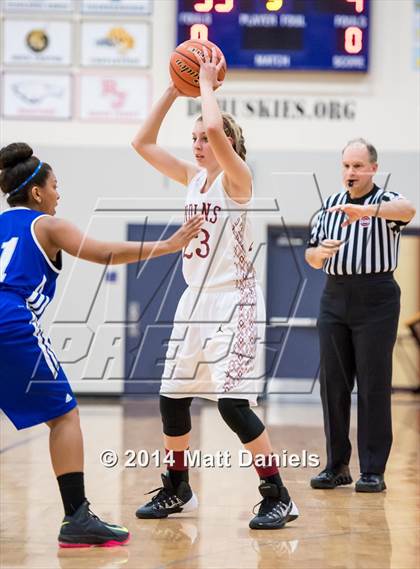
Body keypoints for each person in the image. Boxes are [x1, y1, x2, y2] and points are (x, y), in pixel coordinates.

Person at [0, 142, 203, 547]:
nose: (59, 193)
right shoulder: (46, 225)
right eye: (55, 186)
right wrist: (168, 245)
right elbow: (106, 252)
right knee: (65, 416)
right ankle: (77, 517)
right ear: (37, 192)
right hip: (9, 319)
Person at [131, 46, 298, 529]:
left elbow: (217, 134)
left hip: (236, 301)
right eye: (194, 139)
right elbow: (141, 142)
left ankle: (278, 494)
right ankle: (177, 486)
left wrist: (205, 86)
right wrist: (173, 86)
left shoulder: (238, 179)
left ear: (225, 142)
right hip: (193, 303)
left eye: (205, 138)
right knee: (172, 398)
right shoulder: (192, 179)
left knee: (231, 405)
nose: (198, 144)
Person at [305, 138, 416, 492]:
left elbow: (408, 210)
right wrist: (320, 253)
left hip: (376, 298)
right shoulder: (330, 205)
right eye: (346, 166)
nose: (350, 173)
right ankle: (337, 465)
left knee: (372, 384)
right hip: (335, 296)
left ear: (372, 168)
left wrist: (366, 213)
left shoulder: (385, 202)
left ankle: (372, 469)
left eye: (357, 166)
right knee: (333, 385)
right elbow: (311, 255)